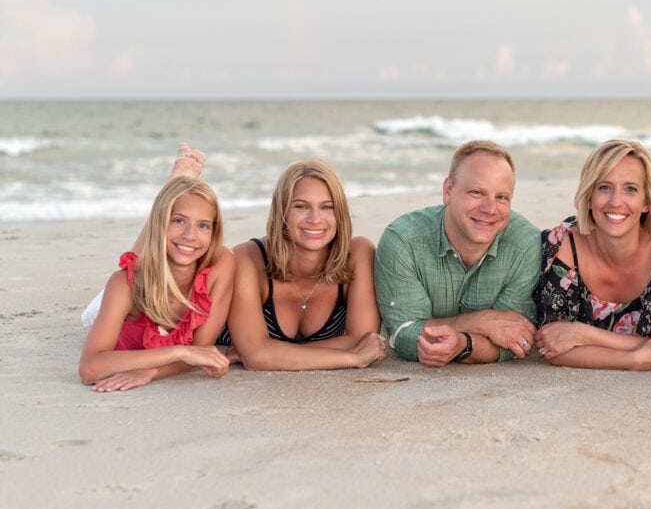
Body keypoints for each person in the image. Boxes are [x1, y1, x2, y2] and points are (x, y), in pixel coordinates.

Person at [79, 147, 235, 392]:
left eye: (203, 225)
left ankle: (176, 191)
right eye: (179, 220)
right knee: (139, 265)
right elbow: (89, 368)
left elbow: (201, 349)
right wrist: (179, 351)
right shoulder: (122, 286)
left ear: (214, 231)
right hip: (110, 308)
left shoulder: (222, 263)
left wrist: (151, 371)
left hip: (161, 273)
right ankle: (173, 187)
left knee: (172, 248)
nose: (190, 235)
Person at [374, 140, 541, 367]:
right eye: (477, 192)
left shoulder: (525, 245)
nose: (490, 209)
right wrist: (481, 322)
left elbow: (514, 339)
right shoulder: (403, 241)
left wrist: (463, 344)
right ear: (448, 191)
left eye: (501, 197)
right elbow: (403, 335)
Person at [534, 139, 651, 370]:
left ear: (646, 201)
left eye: (630, 189)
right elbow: (551, 345)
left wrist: (580, 333)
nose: (616, 201)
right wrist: (632, 359)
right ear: (589, 196)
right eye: (604, 187)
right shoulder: (562, 244)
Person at [220, 159, 387, 371]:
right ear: (282, 212)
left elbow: (363, 340)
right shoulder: (247, 260)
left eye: (327, 207)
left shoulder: (358, 254)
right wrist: (351, 358)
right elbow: (256, 357)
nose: (315, 219)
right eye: (301, 206)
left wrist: (271, 352)